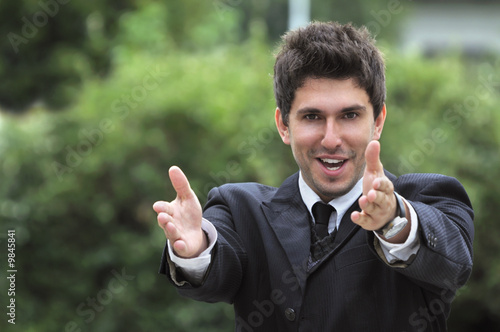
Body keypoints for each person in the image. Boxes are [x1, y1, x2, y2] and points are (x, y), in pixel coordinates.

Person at [153, 21, 474, 331]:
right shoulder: (237, 210)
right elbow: (217, 275)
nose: (331, 138)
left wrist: (393, 220)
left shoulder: (431, 197)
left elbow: (453, 264)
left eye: (349, 115)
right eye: (312, 116)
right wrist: (195, 251)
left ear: (378, 120)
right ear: (283, 125)